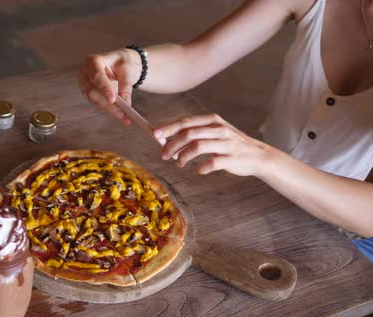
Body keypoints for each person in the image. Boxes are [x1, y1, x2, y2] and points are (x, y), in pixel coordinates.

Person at [76, 0, 373, 260]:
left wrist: (263, 158)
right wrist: (130, 63)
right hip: (258, 187)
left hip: (349, 237)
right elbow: (192, 60)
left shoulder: (263, 161)